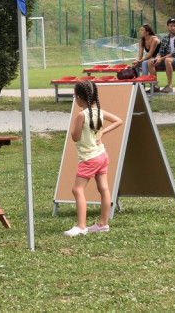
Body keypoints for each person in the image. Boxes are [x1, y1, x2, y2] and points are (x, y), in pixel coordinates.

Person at [63, 80, 123, 236]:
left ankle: (81, 226)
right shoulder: (100, 112)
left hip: (89, 158)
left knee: (77, 189)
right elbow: (118, 121)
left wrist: (75, 127)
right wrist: (103, 132)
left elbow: (75, 137)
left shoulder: (81, 115)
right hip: (102, 155)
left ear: (79, 97)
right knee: (104, 188)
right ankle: (103, 224)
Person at [150, 17, 175, 93]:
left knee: (167, 60)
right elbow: (161, 51)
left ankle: (170, 86)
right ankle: (155, 86)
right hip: (167, 59)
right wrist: (158, 57)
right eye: (171, 26)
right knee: (151, 61)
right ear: (168, 27)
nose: (173, 27)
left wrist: (161, 59)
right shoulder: (165, 37)